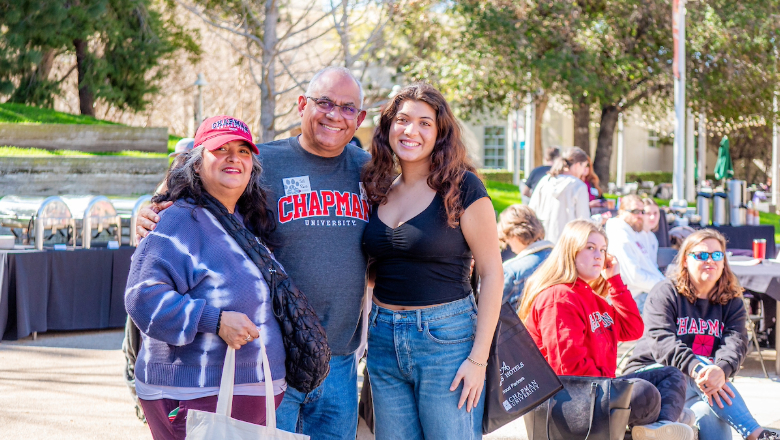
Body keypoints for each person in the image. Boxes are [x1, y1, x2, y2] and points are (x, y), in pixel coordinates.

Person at [136, 66, 371, 439]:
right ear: (301, 105)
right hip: (270, 357)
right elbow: (193, 174)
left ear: (359, 118)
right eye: (324, 102)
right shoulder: (263, 159)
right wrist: (148, 209)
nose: (334, 115)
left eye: (347, 108)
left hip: (338, 360)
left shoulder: (368, 169)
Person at [125, 116, 286, 440]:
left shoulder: (244, 220)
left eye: (243, 151)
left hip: (244, 397)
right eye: (221, 149)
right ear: (197, 164)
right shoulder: (174, 220)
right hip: (195, 397)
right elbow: (142, 298)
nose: (233, 157)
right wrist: (215, 320)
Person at [361, 83, 503, 439]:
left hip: (447, 340)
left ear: (440, 133)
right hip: (382, 338)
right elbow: (376, 268)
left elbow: (492, 274)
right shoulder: (379, 188)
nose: (411, 130)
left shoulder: (463, 187)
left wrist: (478, 360)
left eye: (425, 123)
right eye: (403, 120)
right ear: (388, 127)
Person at [518, 220, 694, 440]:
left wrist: (615, 280)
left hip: (597, 391)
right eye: (590, 247)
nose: (599, 255)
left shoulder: (593, 298)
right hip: (569, 401)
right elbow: (568, 367)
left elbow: (633, 329)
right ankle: (668, 420)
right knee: (642, 391)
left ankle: (664, 426)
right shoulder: (558, 297)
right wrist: (613, 387)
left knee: (672, 374)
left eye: (602, 249)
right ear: (570, 251)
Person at [623, 230, 779, 440]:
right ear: (685, 260)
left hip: (700, 387)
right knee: (702, 370)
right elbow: (663, 342)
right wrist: (699, 368)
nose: (710, 261)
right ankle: (757, 434)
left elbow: (737, 341)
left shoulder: (731, 300)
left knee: (715, 424)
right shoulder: (665, 292)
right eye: (701, 255)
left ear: (724, 261)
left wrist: (721, 369)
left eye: (717, 255)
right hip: (654, 379)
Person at [605, 194, 665, 312]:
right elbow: (634, 276)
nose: (640, 216)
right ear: (621, 211)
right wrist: (663, 287)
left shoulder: (631, 233)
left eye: (642, 212)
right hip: (632, 298)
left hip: (641, 292)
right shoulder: (620, 236)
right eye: (635, 211)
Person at [528, 146, 591, 243]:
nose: (584, 171)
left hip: (542, 242)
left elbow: (531, 212)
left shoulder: (545, 181)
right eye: (584, 166)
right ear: (577, 165)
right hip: (568, 243)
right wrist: (599, 220)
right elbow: (583, 221)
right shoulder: (579, 186)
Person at [496, 204, 553, 311]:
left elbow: (490, 309)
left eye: (505, 239)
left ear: (514, 236)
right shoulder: (560, 258)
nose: (507, 244)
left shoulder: (512, 272)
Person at [641, 198, 661, 265]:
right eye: (648, 213)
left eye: (655, 213)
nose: (653, 217)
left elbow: (653, 265)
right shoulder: (634, 236)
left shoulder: (653, 237)